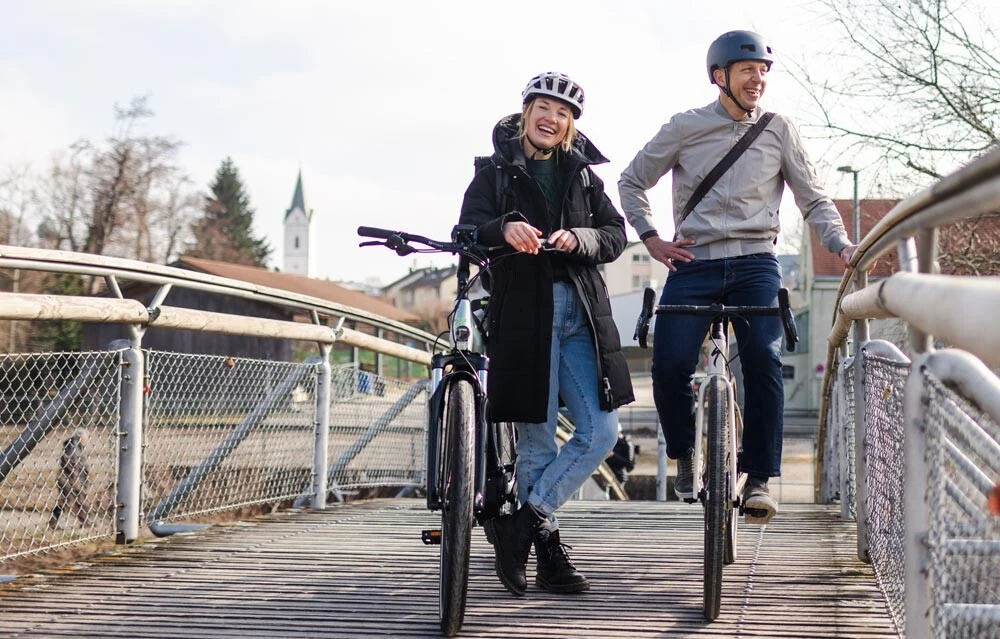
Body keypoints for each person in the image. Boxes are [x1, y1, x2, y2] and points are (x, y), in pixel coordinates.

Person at [618, 31, 858, 525]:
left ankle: (760, 479)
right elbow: (631, 180)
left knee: (765, 364)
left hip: (755, 263)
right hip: (693, 262)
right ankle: (686, 452)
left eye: (764, 71)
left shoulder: (779, 130)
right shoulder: (686, 127)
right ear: (719, 76)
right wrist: (651, 238)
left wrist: (841, 244)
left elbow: (813, 199)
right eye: (748, 70)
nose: (759, 80)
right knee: (668, 363)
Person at [459, 71, 634, 596]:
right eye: (542, 107)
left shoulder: (583, 176)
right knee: (535, 441)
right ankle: (549, 553)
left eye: (562, 113)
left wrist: (580, 237)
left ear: (570, 126)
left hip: (581, 311)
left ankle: (520, 524)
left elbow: (615, 235)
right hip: (522, 311)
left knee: (601, 433)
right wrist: (501, 230)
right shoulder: (492, 172)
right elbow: (465, 231)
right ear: (525, 112)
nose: (550, 118)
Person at [49, 428, 91, 529]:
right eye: (86, 438)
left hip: (71, 479)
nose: (87, 440)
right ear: (81, 437)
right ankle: (53, 523)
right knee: (69, 501)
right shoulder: (73, 446)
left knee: (74, 501)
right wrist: (76, 481)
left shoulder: (75, 446)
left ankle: (85, 521)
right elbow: (73, 465)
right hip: (69, 479)